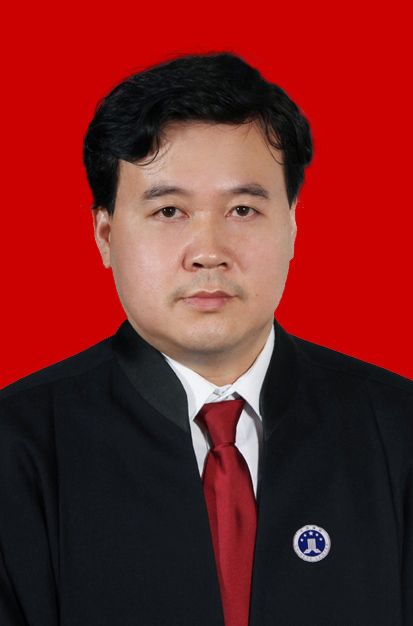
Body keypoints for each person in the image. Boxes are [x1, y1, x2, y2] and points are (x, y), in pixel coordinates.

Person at [0, 52, 412, 626]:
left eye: (242, 209)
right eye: (170, 211)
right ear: (105, 235)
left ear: (293, 225)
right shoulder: (17, 448)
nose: (209, 252)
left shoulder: (397, 429)